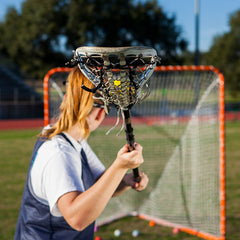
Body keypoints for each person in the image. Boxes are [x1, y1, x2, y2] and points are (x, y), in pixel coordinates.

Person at [14, 66, 149, 240]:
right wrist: (119, 166)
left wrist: (125, 178)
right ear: (100, 113)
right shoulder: (59, 153)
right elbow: (77, 218)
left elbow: (101, 183)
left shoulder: (69, 139)